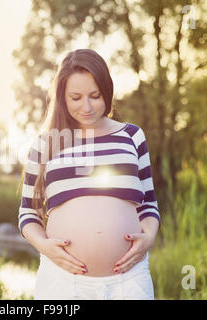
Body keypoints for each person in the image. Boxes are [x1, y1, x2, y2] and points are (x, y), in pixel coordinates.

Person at [17, 49, 160, 300]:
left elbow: (148, 204)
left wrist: (148, 237)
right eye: (76, 97)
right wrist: (45, 246)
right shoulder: (45, 144)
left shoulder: (132, 136)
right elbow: (28, 213)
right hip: (62, 282)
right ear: (62, 97)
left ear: (107, 90)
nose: (87, 106)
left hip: (129, 280)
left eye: (95, 95)